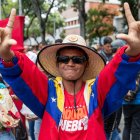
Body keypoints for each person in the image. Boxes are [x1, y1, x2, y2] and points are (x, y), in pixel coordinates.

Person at [0, 2, 139, 140]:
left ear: (86, 63)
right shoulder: (48, 92)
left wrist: (132, 52)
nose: (70, 63)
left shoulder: (97, 92)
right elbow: (25, 75)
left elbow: (118, 75)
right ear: (57, 63)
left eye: (77, 59)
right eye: (64, 58)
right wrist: (6, 55)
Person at [122, 72, 140, 140]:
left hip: (126, 102)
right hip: (138, 102)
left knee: (127, 126)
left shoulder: (126, 66)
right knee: (136, 129)